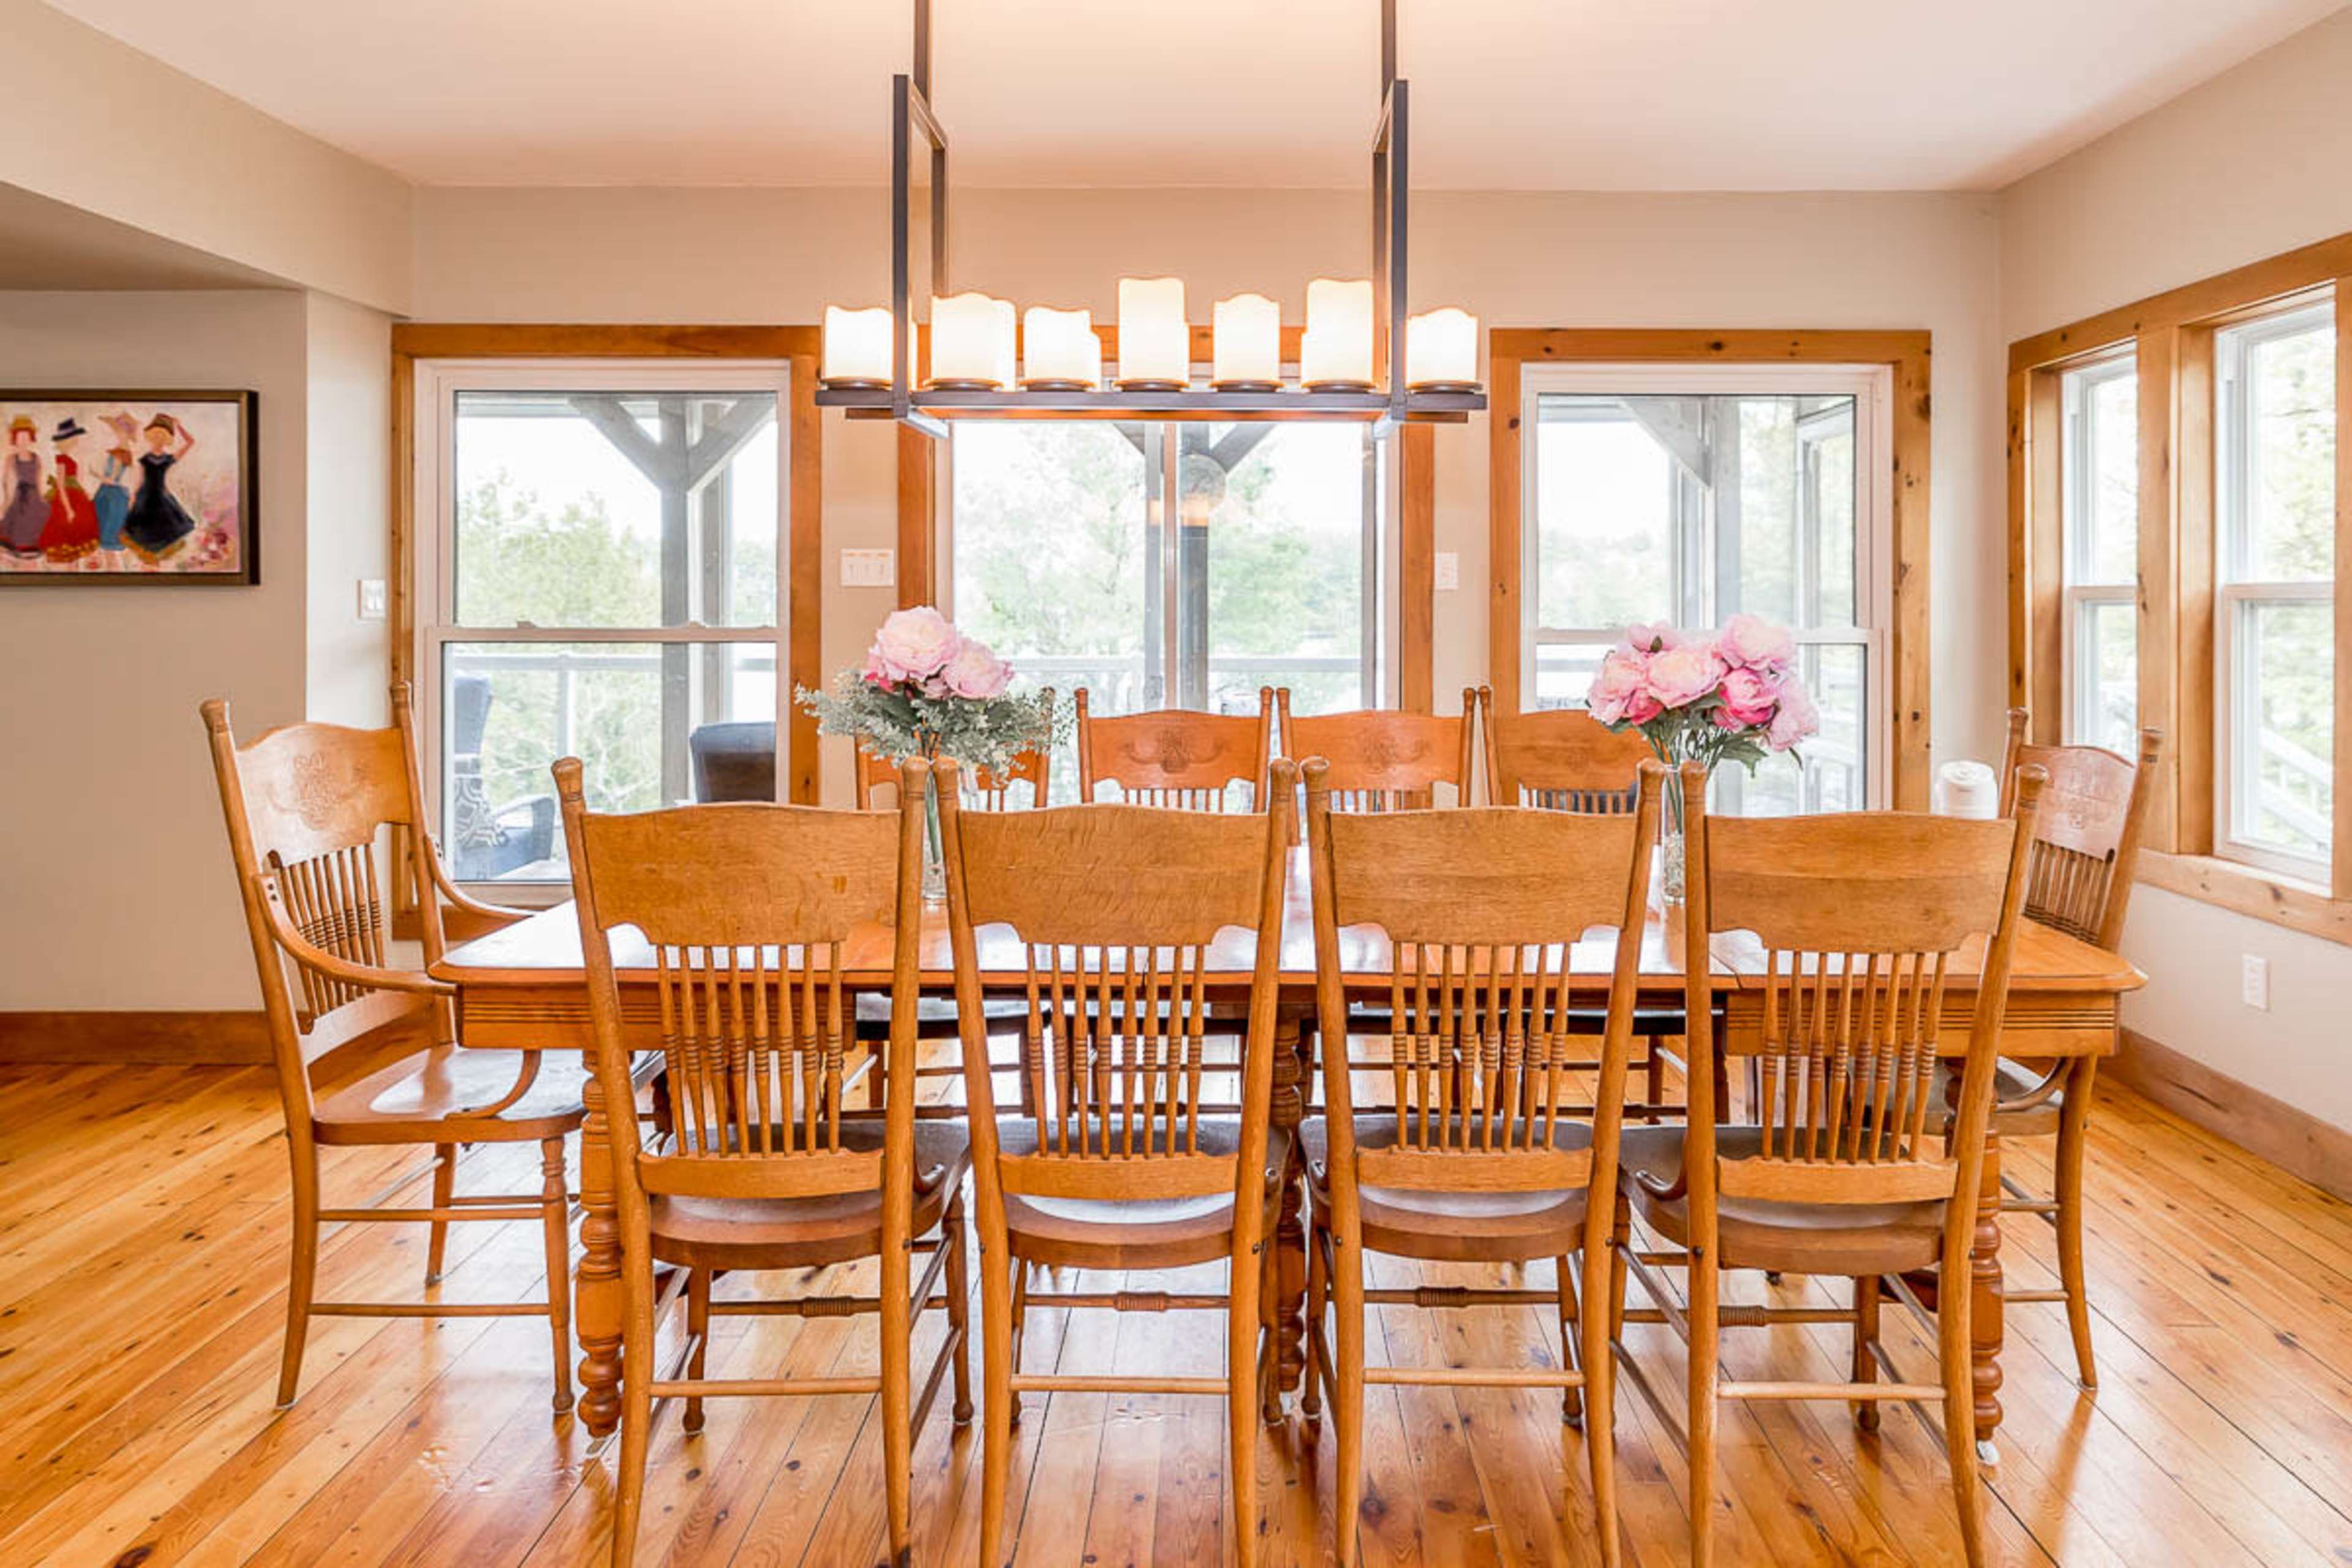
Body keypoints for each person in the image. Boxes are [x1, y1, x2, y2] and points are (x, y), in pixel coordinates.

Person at [122, 412, 198, 562]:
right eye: (155, 435)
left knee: (165, 532)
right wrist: (132, 499)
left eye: (162, 436)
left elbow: (191, 442)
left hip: (162, 498)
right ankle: (147, 564)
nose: (158, 439)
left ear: (167, 439)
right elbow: (139, 481)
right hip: (144, 499)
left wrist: (179, 426)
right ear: (150, 436)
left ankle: (156, 564)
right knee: (143, 534)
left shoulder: (169, 458)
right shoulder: (144, 459)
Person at [38, 417, 101, 564]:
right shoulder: (62, 459)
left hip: (76, 495)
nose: (76, 440)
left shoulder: (70, 457)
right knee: (67, 529)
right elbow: (61, 485)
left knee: (81, 528)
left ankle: (79, 564)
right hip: (66, 497)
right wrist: (68, 508)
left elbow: (74, 481)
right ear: (66, 440)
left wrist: (85, 491)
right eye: (73, 437)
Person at [0, 417, 46, 559]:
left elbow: (39, 481)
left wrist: (43, 498)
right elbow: (7, 483)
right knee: (20, 519)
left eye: (26, 438)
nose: (23, 442)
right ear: (15, 439)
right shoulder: (11, 459)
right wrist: (5, 503)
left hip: (34, 495)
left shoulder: (36, 458)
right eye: (20, 438)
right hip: (19, 495)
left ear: (31, 439)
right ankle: (20, 548)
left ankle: (34, 548)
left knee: (40, 514)